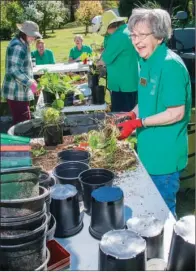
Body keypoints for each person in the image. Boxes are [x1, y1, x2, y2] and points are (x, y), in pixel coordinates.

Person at [117, 8, 192, 216]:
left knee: (163, 213)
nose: (136, 40)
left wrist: (138, 123)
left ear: (158, 36)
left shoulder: (169, 66)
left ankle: (171, 249)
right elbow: (146, 100)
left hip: (165, 158)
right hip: (148, 152)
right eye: (133, 34)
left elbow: (176, 113)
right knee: (148, 209)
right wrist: (131, 115)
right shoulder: (146, 61)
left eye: (142, 35)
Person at [96, 10, 139, 112]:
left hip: (122, 85)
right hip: (131, 81)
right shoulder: (127, 31)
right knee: (131, 112)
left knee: (121, 116)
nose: (106, 32)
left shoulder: (118, 36)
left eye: (106, 29)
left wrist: (97, 62)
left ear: (111, 25)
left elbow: (103, 60)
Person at [1, 21, 41, 125]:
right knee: (23, 125)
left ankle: (20, 141)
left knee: (23, 122)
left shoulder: (23, 43)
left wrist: (32, 81)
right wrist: (31, 83)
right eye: (32, 36)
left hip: (21, 92)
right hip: (15, 92)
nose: (34, 38)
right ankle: (20, 141)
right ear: (24, 33)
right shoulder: (17, 46)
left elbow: (22, 66)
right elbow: (14, 70)